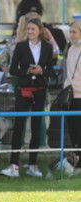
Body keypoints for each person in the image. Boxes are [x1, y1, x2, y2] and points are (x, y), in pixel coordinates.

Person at [1, 18, 55, 178]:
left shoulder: (47, 47)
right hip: (23, 89)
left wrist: (41, 71)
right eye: (28, 29)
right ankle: (14, 165)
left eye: (33, 29)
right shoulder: (21, 46)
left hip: (40, 90)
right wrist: (28, 72)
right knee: (19, 125)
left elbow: (51, 71)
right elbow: (12, 69)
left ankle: (33, 165)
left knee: (37, 126)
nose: (30, 32)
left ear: (39, 30)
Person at [64, 19, 81, 172]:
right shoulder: (70, 49)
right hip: (70, 96)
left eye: (74, 32)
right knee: (73, 131)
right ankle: (76, 162)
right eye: (70, 32)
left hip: (80, 97)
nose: (71, 35)